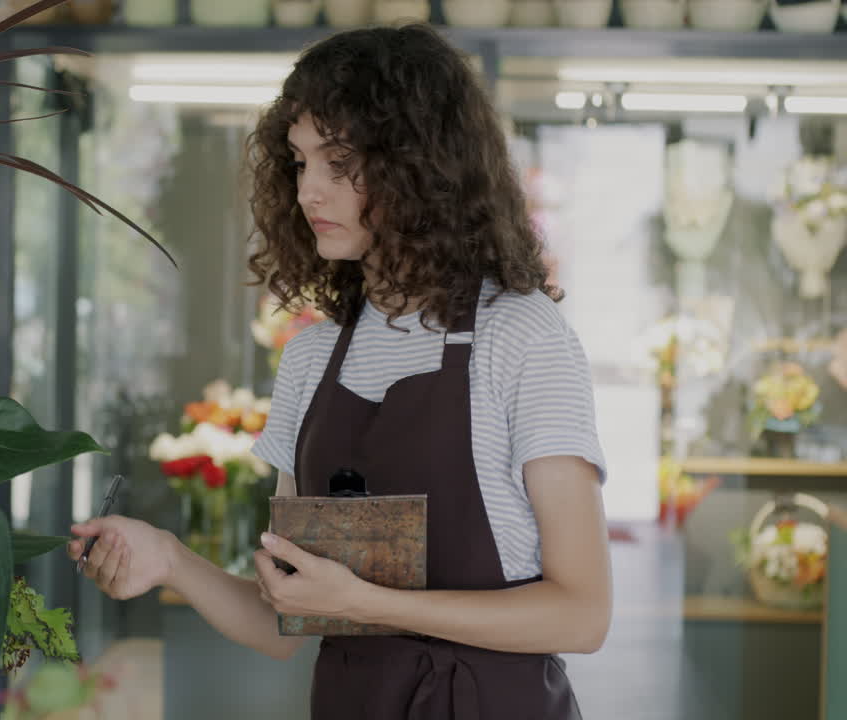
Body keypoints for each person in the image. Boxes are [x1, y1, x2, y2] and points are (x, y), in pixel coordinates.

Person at [68, 23, 611, 719]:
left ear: (421, 166)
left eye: (339, 162)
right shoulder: (313, 357)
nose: (308, 193)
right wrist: (169, 559)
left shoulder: (520, 335)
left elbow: (582, 614)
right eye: (299, 163)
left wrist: (368, 603)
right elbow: (285, 623)